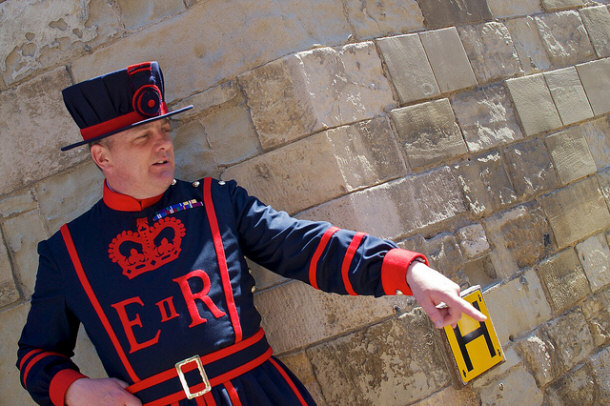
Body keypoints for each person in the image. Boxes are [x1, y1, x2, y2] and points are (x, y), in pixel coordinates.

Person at [17, 61, 485, 406]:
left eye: (164, 130)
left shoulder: (216, 202)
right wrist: (76, 391)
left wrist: (409, 273)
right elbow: (37, 355)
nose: (162, 144)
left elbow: (306, 246)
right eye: (143, 137)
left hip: (261, 395)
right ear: (102, 158)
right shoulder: (66, 253)